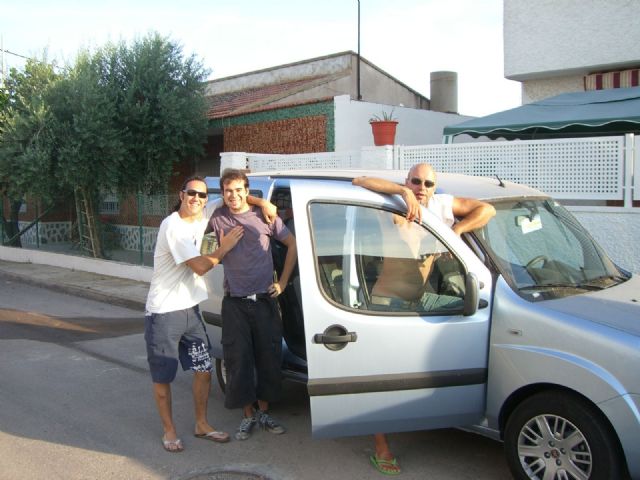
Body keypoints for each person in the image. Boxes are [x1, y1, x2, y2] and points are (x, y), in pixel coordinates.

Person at [353, 163, 496, 475]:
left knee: (475, 311)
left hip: (418, 301)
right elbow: (360, 179)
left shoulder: (441, 208)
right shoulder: (393, 205)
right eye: (415, 181)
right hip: (387, 303)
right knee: (383, 379)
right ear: (407, 181)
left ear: (434, 187)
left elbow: (487, 210)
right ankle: (381, 447)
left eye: (427, 183)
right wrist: (402, 192)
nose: (421, 188)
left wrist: (456, 232)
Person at [144, 175, 275, 453]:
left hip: (191, 310)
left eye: (202, 195)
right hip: (164, 312)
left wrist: (263, 202)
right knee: (163, 376)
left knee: (203, 369)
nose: (197, 198)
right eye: (191, 193)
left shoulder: (204, 212)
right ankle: (169, 431)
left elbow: (234, 198)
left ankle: (201, 424)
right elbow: (201, 266)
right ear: (181, 195)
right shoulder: (173, 227)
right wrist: (224, 248)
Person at [209, 169, 297, 441]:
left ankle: (264, 412)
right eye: (228, 191)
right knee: (238, 360)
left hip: (264, 301)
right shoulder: (217, 217)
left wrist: (282, 282)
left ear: (247, 191)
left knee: (268, 358)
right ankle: (247, 415)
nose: (233, 195)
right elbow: (189, 222)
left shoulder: (264, 216)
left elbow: (292, 245)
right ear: (222, 193)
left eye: (239, 190)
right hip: (234, 302)